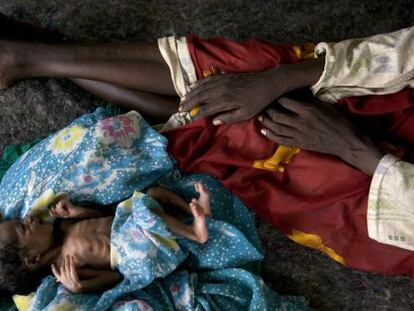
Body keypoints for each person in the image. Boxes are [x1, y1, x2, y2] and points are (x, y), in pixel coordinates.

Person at [2, 13, 414, 274]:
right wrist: (278, 79)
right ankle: (38, 55)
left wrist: (353, 148)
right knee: (260, 84)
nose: (28, 225)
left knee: (264, 137)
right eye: (19, 234)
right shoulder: (58, 256)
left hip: (394, 212)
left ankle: (39, 54)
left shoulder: (61, 253)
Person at [0, 182, 210, 295]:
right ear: (33, 258)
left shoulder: (62, 226)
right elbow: (115, 278)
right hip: (133, 253)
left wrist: (77, 212)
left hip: (128, 224)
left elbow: (102, 218)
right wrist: (80, 287)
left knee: (153, 193)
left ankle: (197, 213)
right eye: (22, 226)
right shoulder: (67, 269)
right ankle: (195, 233)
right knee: (144, 210)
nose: (28, 217)